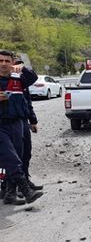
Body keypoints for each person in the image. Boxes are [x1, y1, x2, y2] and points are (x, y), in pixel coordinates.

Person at [0, 50, 42, 205]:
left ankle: (10, 192)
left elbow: (33, 77)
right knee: (11, 159)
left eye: (7, 61)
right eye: (0, 61)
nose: (3, 64)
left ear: (12, 62)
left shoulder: (19, 78)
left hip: (17, 123)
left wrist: (22, 66)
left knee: (19, 157)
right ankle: (25, 191)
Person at [16, 59, 43, 192]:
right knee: (13, 157)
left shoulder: (20, 81)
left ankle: (25, 181)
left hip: (22, 122)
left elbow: (27, 103)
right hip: (5, 123)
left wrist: (33, 121)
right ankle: (10, 188)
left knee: (26, 153)